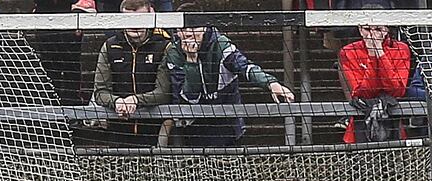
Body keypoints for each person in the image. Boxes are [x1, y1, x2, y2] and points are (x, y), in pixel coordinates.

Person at [164, 2, 294, 147]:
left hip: (225, 120)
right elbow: (189, 97)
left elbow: (245, 67)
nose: (187, 33)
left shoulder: (221, 45)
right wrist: (191, 61)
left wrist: (270, 83)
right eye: (182, 29)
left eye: (193, 28)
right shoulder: (174, 52)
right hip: (190, 124)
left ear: (205, 28)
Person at [93, 0, 171, 147]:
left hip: (154, 131)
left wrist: (135, 100)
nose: (135, 25)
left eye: (140, 19)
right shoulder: (109, 47)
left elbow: (164, 92)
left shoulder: (164, 46)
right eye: (130, 19)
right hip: (117, 131)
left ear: (151, 16)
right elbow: (100, 92)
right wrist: (116, 102)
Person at [338, 19, 411, 143]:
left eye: (378, 29)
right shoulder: (348, 51)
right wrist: (372, 55)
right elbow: (365, 92)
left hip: (393, 122)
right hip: (359, 123)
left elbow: (397, 90)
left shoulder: (401, 49)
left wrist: (380, 53)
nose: (372, 35)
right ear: (360, 29)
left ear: (386, 30)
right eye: (367, 29)